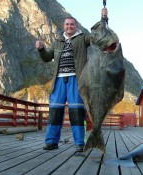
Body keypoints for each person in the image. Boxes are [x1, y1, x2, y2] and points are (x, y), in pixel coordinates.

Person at [36, 8, 108, 152]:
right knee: (55, 112)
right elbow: (47, 57)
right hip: (59, 81)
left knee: (77, 112)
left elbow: (98, 35)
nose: (69, 26)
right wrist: (41, 49)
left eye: (72, 24)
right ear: (64, 26)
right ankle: (51, 142)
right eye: (67, 24)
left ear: (76, 26)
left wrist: (103, 19)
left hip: (77, 80)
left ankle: (80, 143)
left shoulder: (83, 38)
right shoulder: (58, 41)